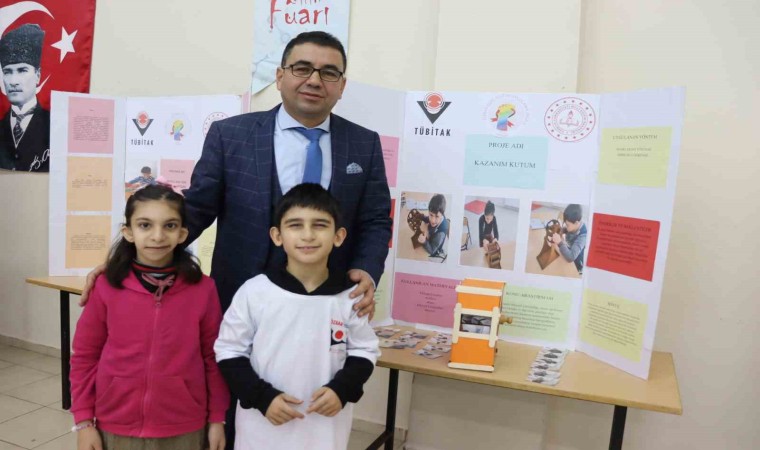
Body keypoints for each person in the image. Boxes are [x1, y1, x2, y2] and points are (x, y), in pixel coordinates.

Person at [78, 30, 390, 448]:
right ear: (279, 76)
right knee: (233, 402)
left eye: (329, 72)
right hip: (243, 291)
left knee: (314, 403)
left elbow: (375, 219)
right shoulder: (231, 135)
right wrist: (127, 256)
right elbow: (195, 209)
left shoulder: (364, 143)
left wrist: (367, 270)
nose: (315, 80)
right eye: (302, 68)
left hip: (324, 300)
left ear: (342, 85)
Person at [214, 183, 379, 450]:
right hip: (262, 428)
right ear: (277, 235)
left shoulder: (350, 297)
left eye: (320, 225)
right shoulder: (255, 292)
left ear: (338, 236)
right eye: (295, 225)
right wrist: (262, 397)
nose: (308, 235)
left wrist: (341, 390)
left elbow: (364, 350)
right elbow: (229, 351)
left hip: (325, 431)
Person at [69, 183, 229, 450]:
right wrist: (84, 422)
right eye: (145, 225)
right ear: (128, 232)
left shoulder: (203, 289)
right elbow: (85, 356)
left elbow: (212, 357)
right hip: (116, 422)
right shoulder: (106, 287)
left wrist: (217, 419)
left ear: (183, 233)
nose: (158, 236)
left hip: (184, 425)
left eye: (170, 225)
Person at [0, 24, 50, 172]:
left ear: (38, 75)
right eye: (7, 72)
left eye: (22, 70)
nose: (13, 81)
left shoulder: (54, 125)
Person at [550, 203, 588, 274]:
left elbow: (571, 257)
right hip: (569, 249)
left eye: (567, 225)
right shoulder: (574, 225)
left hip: (576, 263)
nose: (566, 227)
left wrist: (560, 243)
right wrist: (562, 230)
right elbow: (569, 229)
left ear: (576, 223)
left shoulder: (582, 237)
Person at [417, 193, 449, 257]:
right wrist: (422, 217)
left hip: (433, 248)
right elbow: (428, 219)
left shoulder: (440, 234)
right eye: (431, 215)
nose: (432, 220)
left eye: (437, 216)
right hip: (430, 235)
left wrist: (424, 242)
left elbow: (432, 251)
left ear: (442, 215)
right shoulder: (438, 213)